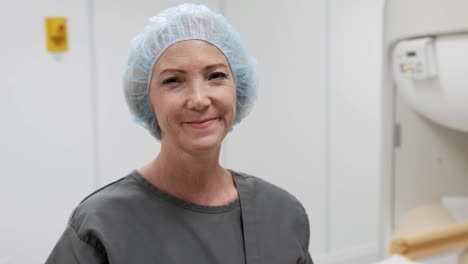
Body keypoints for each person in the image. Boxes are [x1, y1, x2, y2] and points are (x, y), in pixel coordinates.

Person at [46, 3, 313, 264]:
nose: (199, 99)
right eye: (173, 80)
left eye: (216, 75)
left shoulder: (282, 214)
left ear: (238, 87)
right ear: (146, 99)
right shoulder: (100, 228)